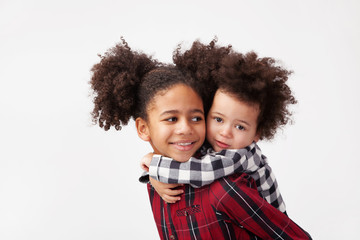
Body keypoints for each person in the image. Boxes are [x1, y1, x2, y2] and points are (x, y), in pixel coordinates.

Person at [90, 38, 312, 239]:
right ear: (143, 128)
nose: (186, 129)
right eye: (171, 119)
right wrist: (154, 174)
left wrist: (155, 167)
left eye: (196, 117)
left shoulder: (227, 187)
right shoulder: (157, 187)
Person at [140, 41, 290, 215]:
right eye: (218, 119)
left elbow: (202, 171)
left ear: (257, 134)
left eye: (240, 127)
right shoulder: (210, 146)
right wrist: (154, 175)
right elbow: (186, 158)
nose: (225, 132)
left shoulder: (243, 156)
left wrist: (155, 168)